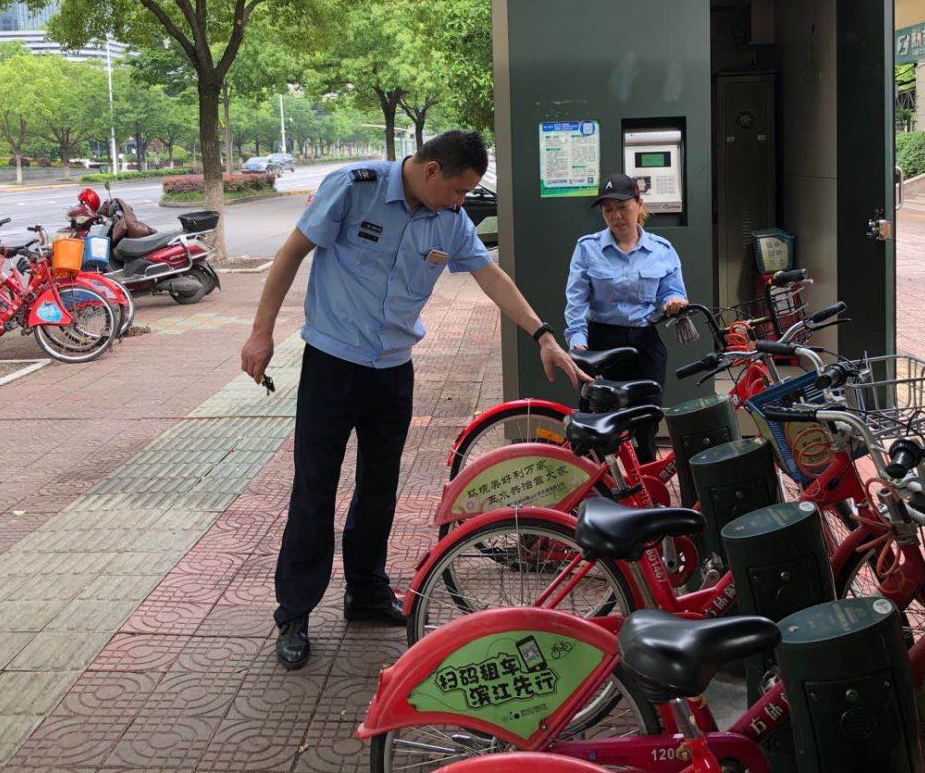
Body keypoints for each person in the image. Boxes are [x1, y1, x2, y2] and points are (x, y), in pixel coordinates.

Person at [239, 130, 588, 670]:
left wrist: (542, 334)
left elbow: (490, 276)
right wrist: (261, 333)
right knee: (315, 486)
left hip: (392, 370)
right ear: (430, 171)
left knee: (379, 488)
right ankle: (295, 610)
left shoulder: (449, 219)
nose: (461, 202)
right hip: (332, 363)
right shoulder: (354, 188)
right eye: (458, 189)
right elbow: (290, 254)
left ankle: (366, 592)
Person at [564, 172, 688, 462]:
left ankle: (645, 483)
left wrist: (673, 301)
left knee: (646, 422)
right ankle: (598, 481)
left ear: (639, 205)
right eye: (608, 209)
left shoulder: (662, 250)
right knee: (597, 425)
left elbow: (673, 291)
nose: (616, 216)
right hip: (601, 343)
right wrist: (578, 341)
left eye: (622, 207)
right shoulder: (587, 248)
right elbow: (576, 299)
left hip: (644, 344)